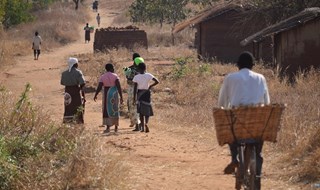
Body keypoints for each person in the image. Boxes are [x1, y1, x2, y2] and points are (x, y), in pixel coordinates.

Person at [218, 51, 270, 189]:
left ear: (238, 65)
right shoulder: (261, 78)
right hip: (257, 121)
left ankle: (235, 157)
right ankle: (256, 171)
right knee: (258, 151)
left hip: (238, 119)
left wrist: (223, 109)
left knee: (231, 133)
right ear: (253, 65)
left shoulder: (230, 78)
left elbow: (222, 102)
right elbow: (267, 102)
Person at [94, 63, 124, 133]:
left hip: (106, 93)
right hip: (114, 93)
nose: (113, 69)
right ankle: (116, 127)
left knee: (106, 109)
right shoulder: (115, 76)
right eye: (113, 68)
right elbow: (119, 87)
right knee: (115, 108)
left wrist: (96, 94)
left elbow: (99, 86)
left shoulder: (103, 76)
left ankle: (108, 127)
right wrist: (121, 96)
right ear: (110, 68)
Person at [133, 62, 159, 133]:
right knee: (147, 109)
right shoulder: (148, 75)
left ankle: (142, 127)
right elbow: (157, 81)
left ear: (138, 69)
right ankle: (146, 123)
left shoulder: (136, 77)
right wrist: (150, 86)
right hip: (147, 93)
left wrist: (134, 98)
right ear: (145, 68)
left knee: (140, 111)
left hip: (139, 94)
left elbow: (135, 88)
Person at [60, 57, 86, 124]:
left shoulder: (64, 73)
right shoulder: (78, 72)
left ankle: (68, 121)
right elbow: (82, 83)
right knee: (77, 105)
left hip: (67, 91)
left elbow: (62, 82)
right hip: (76, 91)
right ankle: (78, 120)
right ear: (75, 64)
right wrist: (80, 89)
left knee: (68, 106)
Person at [124, 53, 143, 131]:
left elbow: (128, 78)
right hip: (142, 88)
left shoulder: (130, 69)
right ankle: (141, 124)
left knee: (132, 106)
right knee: (140, 106)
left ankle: (137, 125)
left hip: (132, 89)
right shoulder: (142, 68)